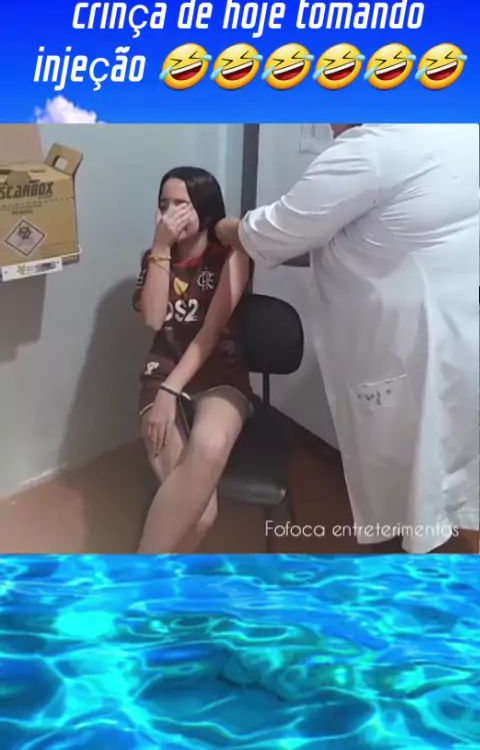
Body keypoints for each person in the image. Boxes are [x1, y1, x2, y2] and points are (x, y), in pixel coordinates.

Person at [216, 124, 479, 554]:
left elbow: (273, 231)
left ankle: (408, 572)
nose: (330, 129)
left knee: (411, 487)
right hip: (458, 337)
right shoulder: (459, 131)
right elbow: (349, 235)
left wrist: (228, 229)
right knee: (441, 472)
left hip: (404, 352)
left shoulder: (370, 152)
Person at [133, 166, 254, 553]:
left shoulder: (232, 256)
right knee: (200, 515)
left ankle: (141, 573)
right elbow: (154, 319)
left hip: (218, 372)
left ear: (204, 209)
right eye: (163, 205)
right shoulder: (155, 257)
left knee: (210, 446)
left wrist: (171, 391)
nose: (170, 213)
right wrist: (160, 248)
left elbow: (210, 331)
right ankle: (160, 576)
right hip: (163, 370)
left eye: (180, 204)